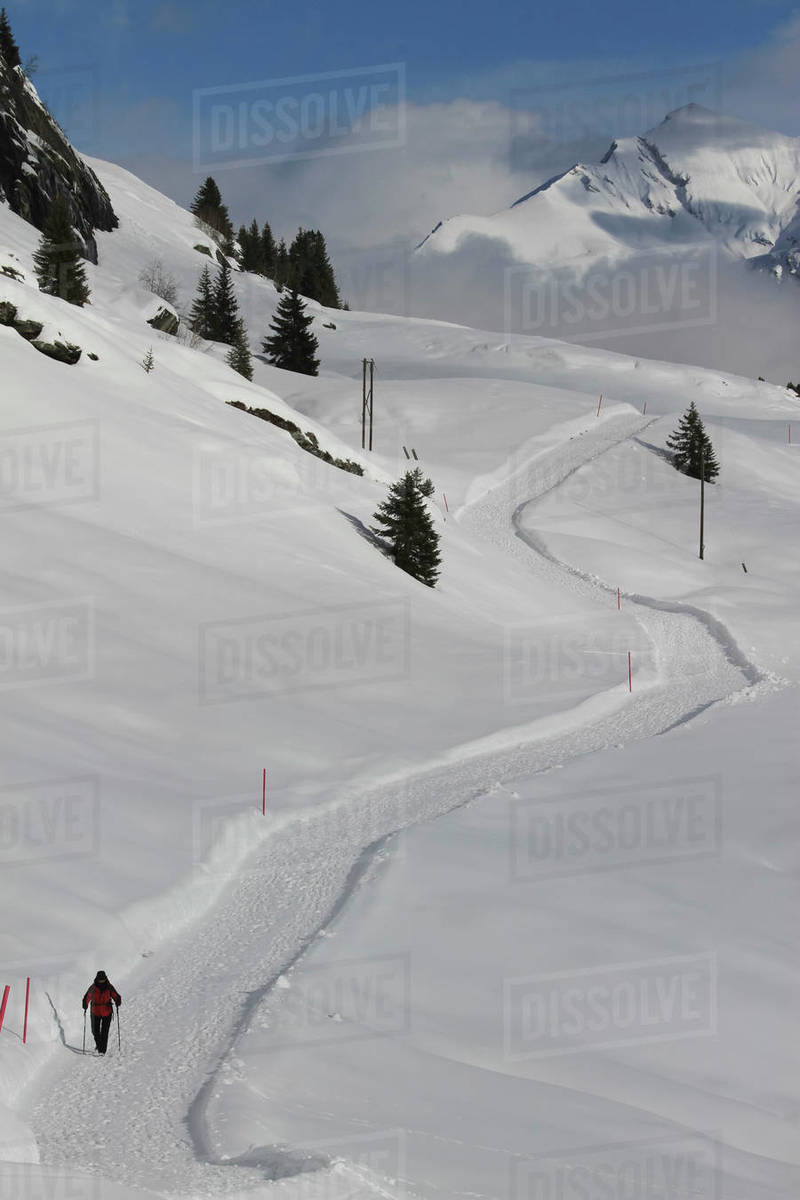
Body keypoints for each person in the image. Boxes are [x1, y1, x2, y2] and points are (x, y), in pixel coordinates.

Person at [82, 970, 121, 1055]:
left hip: (107, 1012)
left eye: (103, 979)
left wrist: (118, 1000)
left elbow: (115, 995)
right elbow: (87, 997)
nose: (102, 981)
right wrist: (85, 1004)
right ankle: (99, 1047)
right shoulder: (93, 987)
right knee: (95, 1032)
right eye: (100, 979)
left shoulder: (109, 987)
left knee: (104, 1032)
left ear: (105, 978)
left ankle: (102, 1050)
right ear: (97, 979)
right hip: (95, 1012)